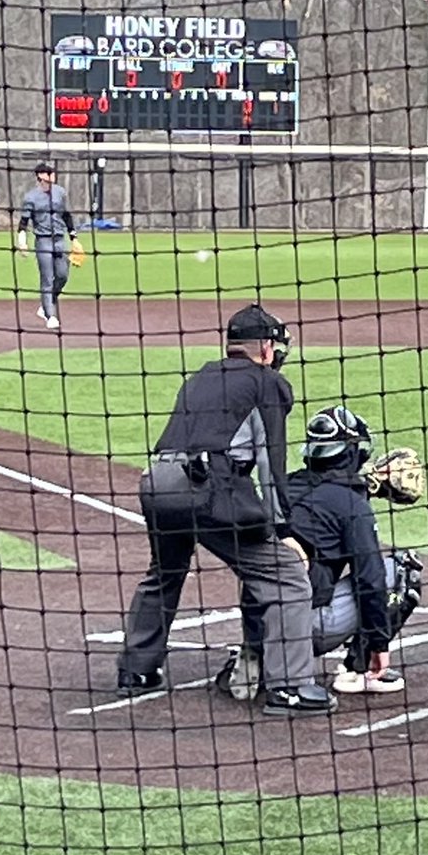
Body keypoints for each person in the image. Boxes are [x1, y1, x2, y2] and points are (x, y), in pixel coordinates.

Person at [116, 303, 337, 717]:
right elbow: (270, 461)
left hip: (155, 481)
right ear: (268, 349)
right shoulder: (267, 384)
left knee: (165, 572)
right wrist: (283, 527)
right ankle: (288, 688)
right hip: (204, 487)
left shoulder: (201, 376)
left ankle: (136, 669)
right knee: (286, 576)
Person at [215, 406, 427, 702]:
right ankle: (362, 670)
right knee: (402, 569)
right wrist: (379, 644)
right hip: (308, 628)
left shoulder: (286, 486)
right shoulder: (352, 507)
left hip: (261, 619)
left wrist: (368, 486)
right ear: (352, 453)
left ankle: (260, 652)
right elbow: (370, 579)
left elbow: (322, 498)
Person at [16, 161, 78, 330]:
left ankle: (46, 304)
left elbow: (67, 216)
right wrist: (22, 242)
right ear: (41, 176)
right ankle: (50, 315)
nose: (53, 174)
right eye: (49, 172)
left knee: (62, 275)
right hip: (43, 240)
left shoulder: (60, 193)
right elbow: (23, 222)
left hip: (59, 239)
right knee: (46, 278)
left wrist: (74, 237)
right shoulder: (31, 197)